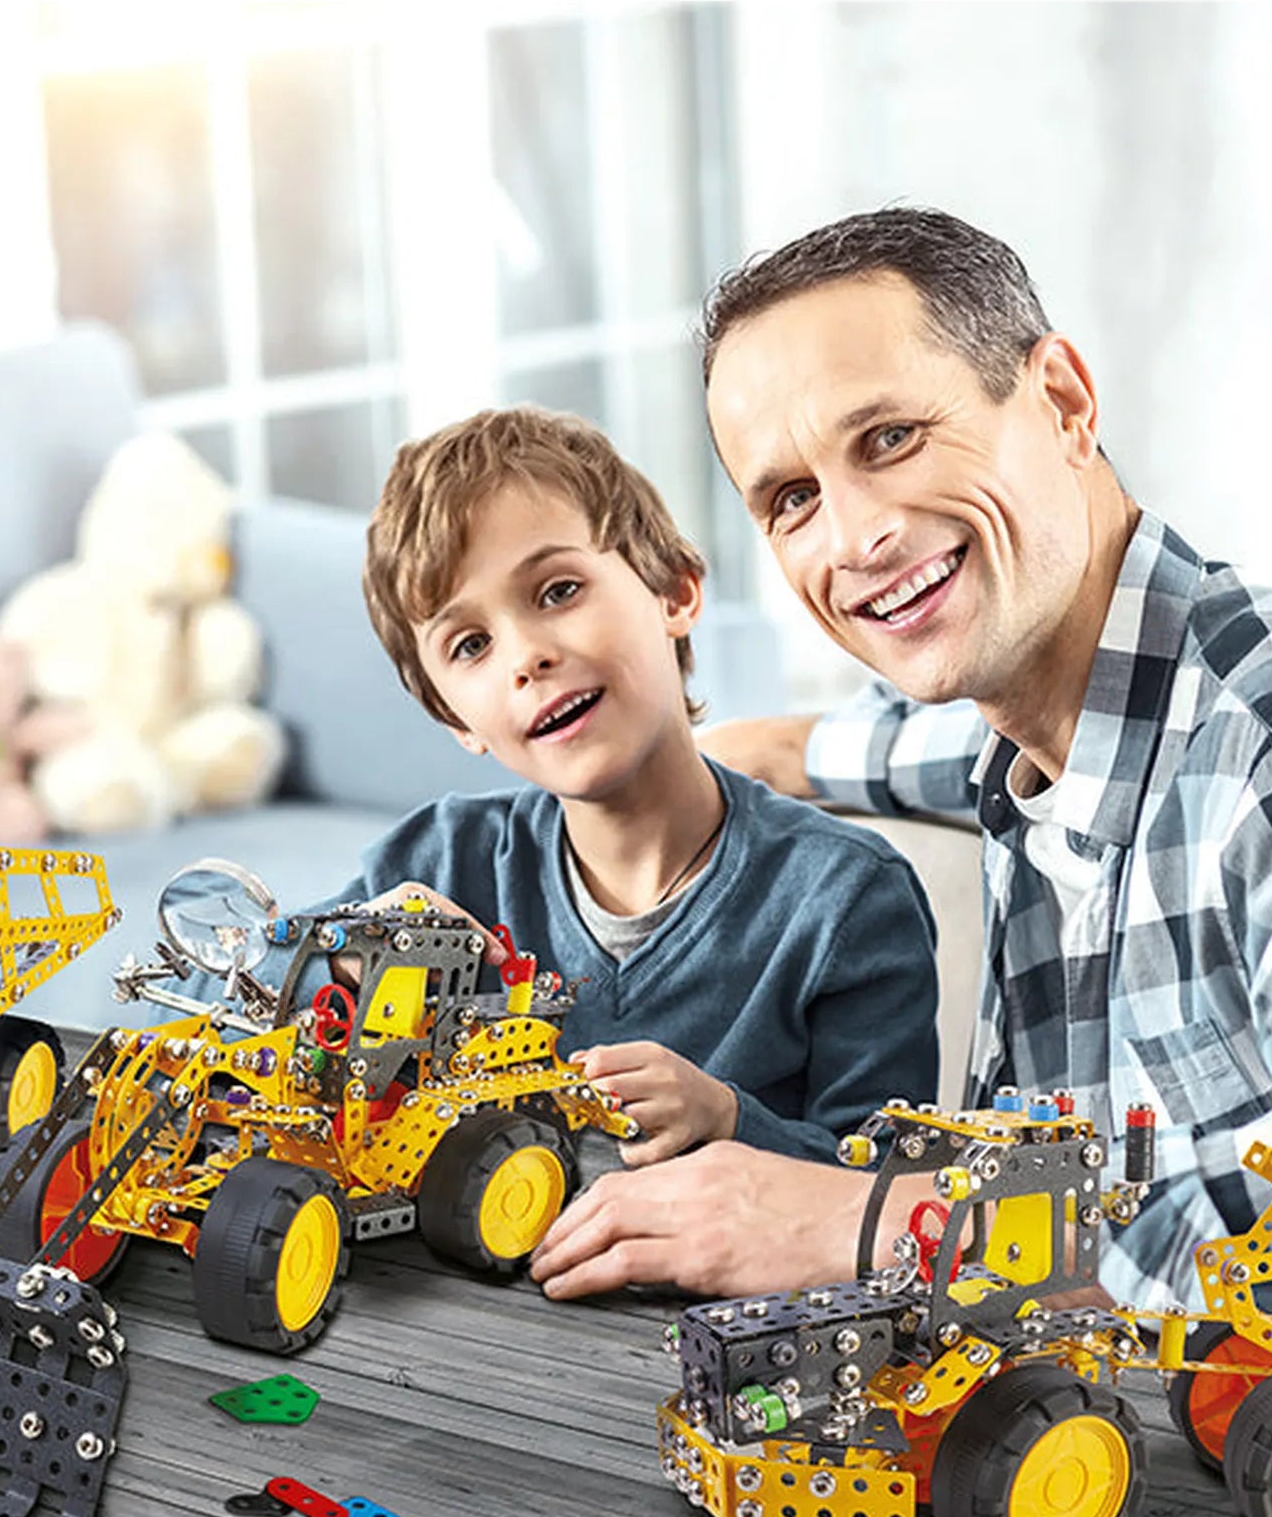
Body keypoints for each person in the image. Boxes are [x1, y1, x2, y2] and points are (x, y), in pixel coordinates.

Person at [529, 206, 1272, 1312]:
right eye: (791, 499)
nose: (854, 538)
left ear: (1062, 401)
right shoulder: (1036, 722)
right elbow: (908, 741)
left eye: (889, 438)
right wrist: (762, 750)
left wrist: (875, 1222)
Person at [325, 402, 940, 1171]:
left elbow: (893, 1184)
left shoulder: (845, 899)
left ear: (674, 593)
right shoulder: (435, 865)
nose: (526, 657)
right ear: (455, 718)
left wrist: (727, 1118)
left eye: (557, 592)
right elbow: (242, 998)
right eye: (472, 644)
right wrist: (336, 962)